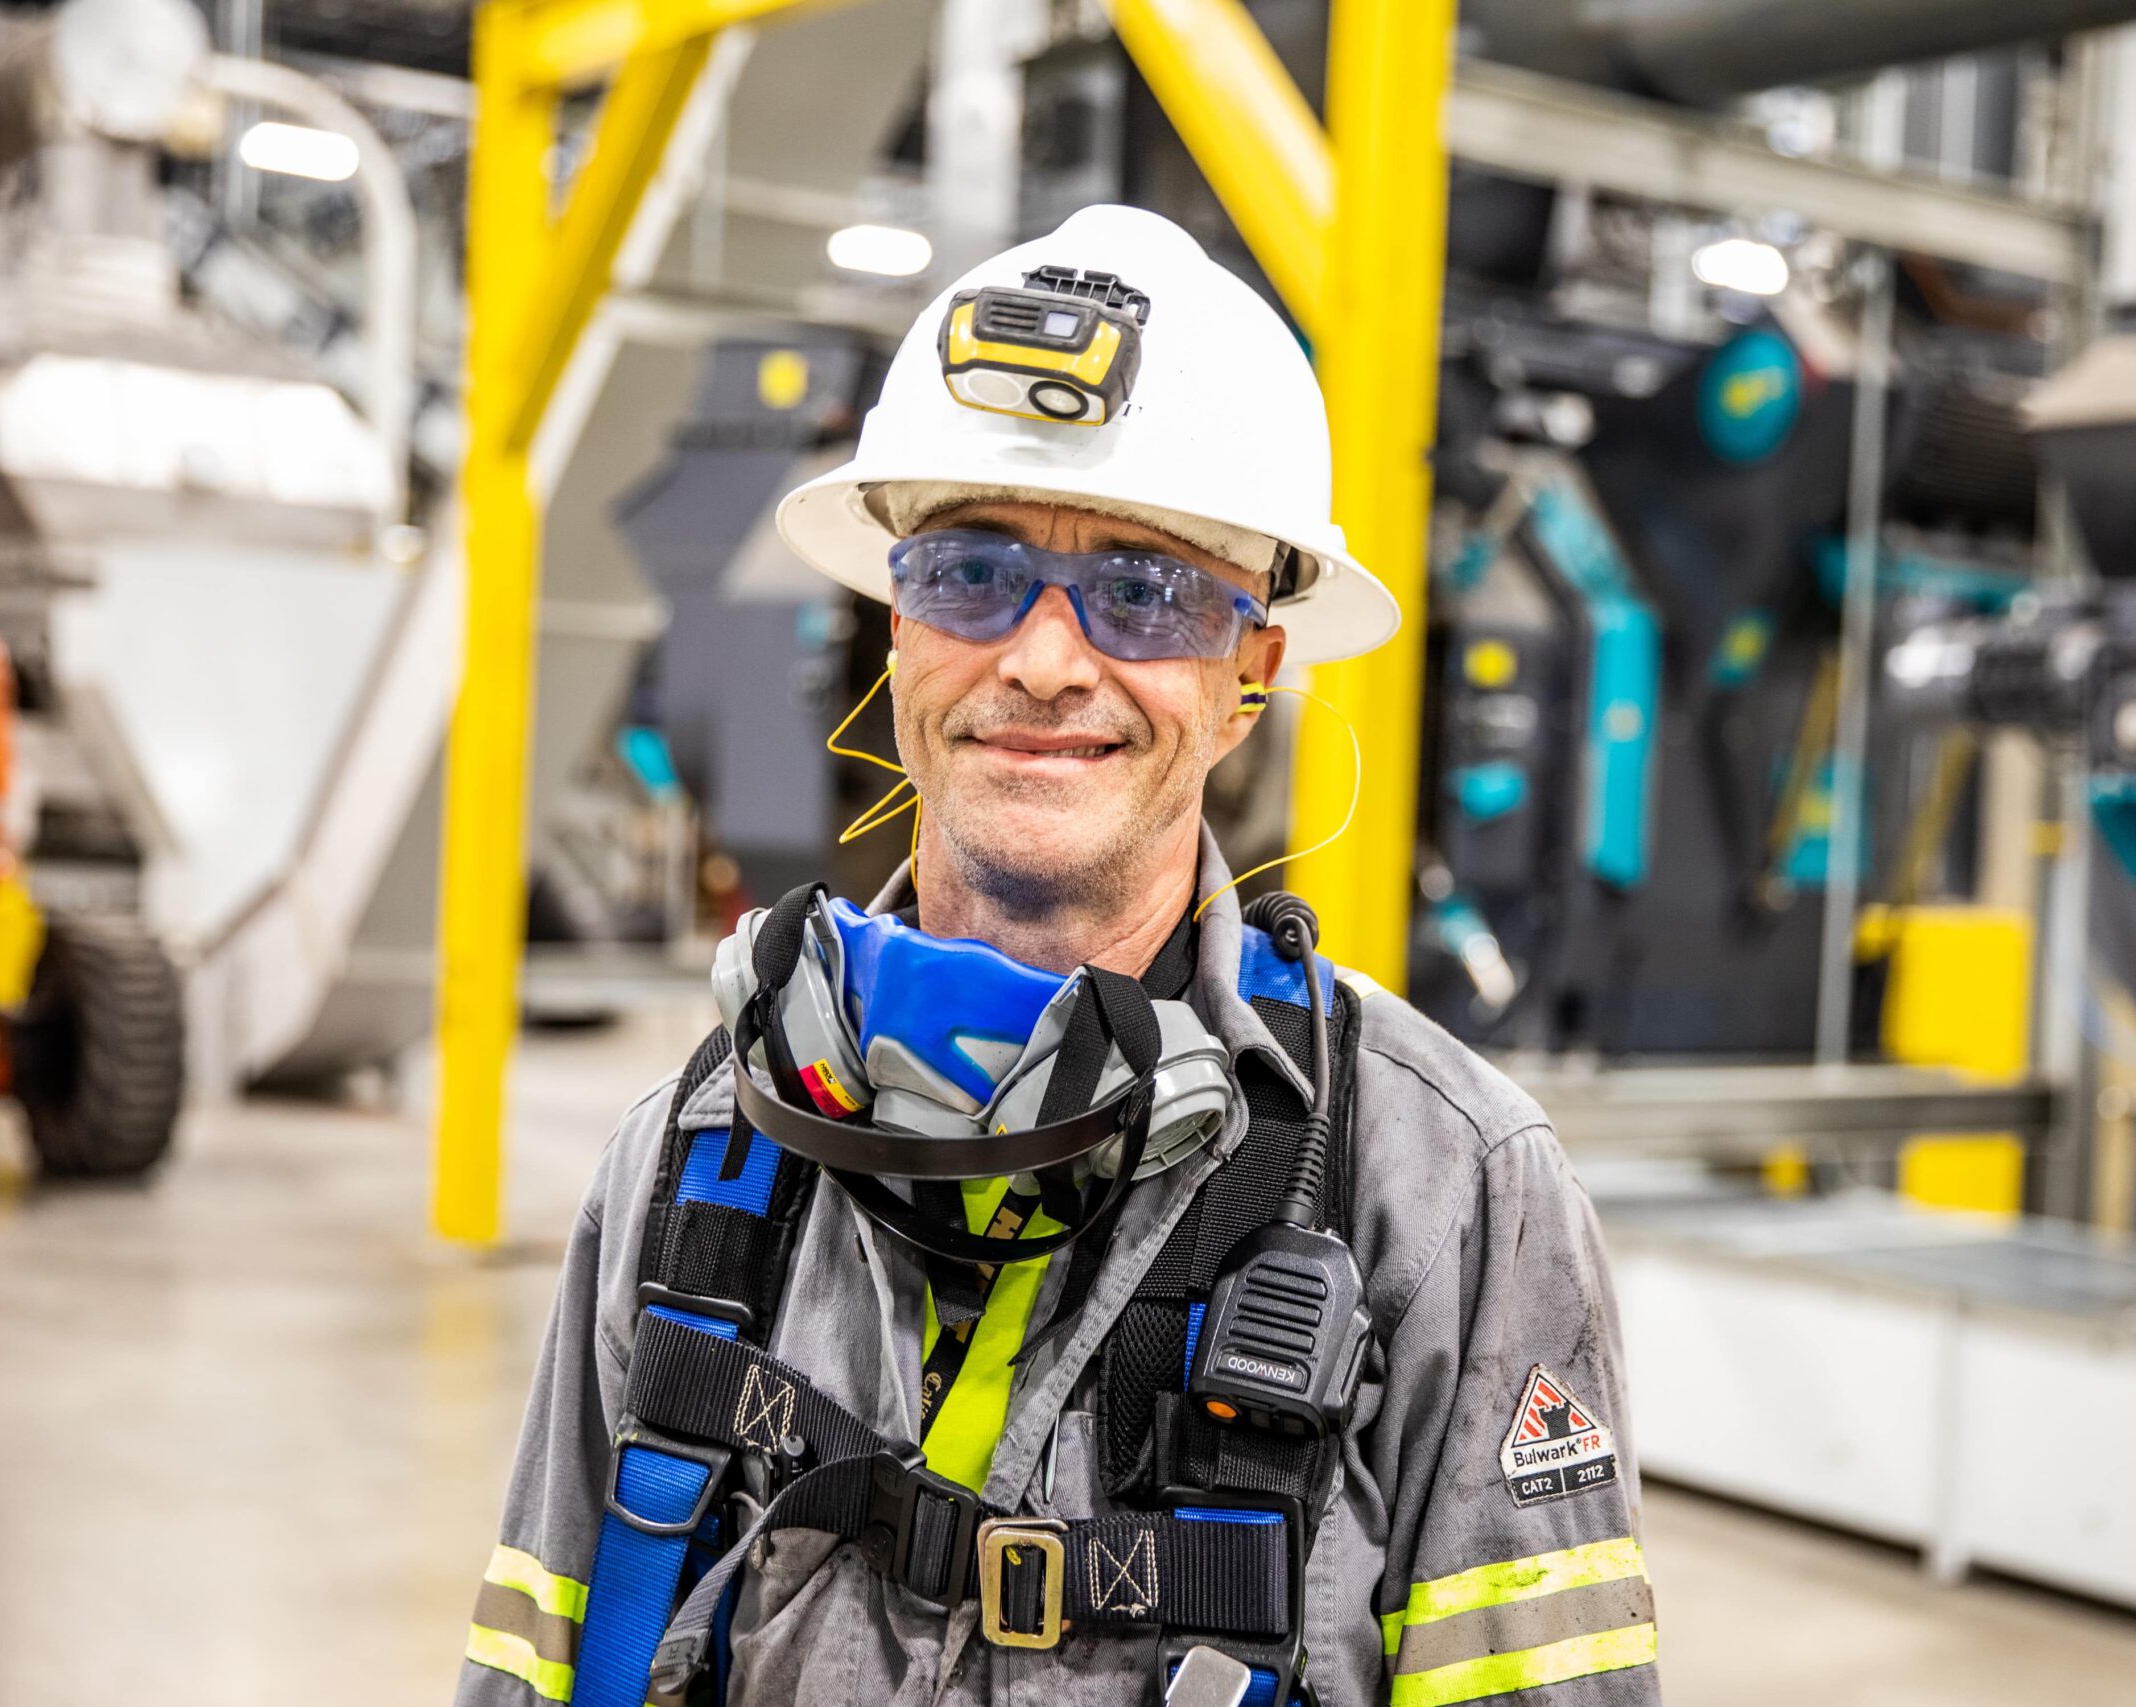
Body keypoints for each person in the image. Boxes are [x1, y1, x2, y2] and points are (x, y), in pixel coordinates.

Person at [459, 204, 1657, 1707]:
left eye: (1144, 591)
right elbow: (536, 1659)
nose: (1040, 658)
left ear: (1252, 670)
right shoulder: (702, 1158)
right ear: (896, 624)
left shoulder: (1444, 1196)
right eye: (971, 573)